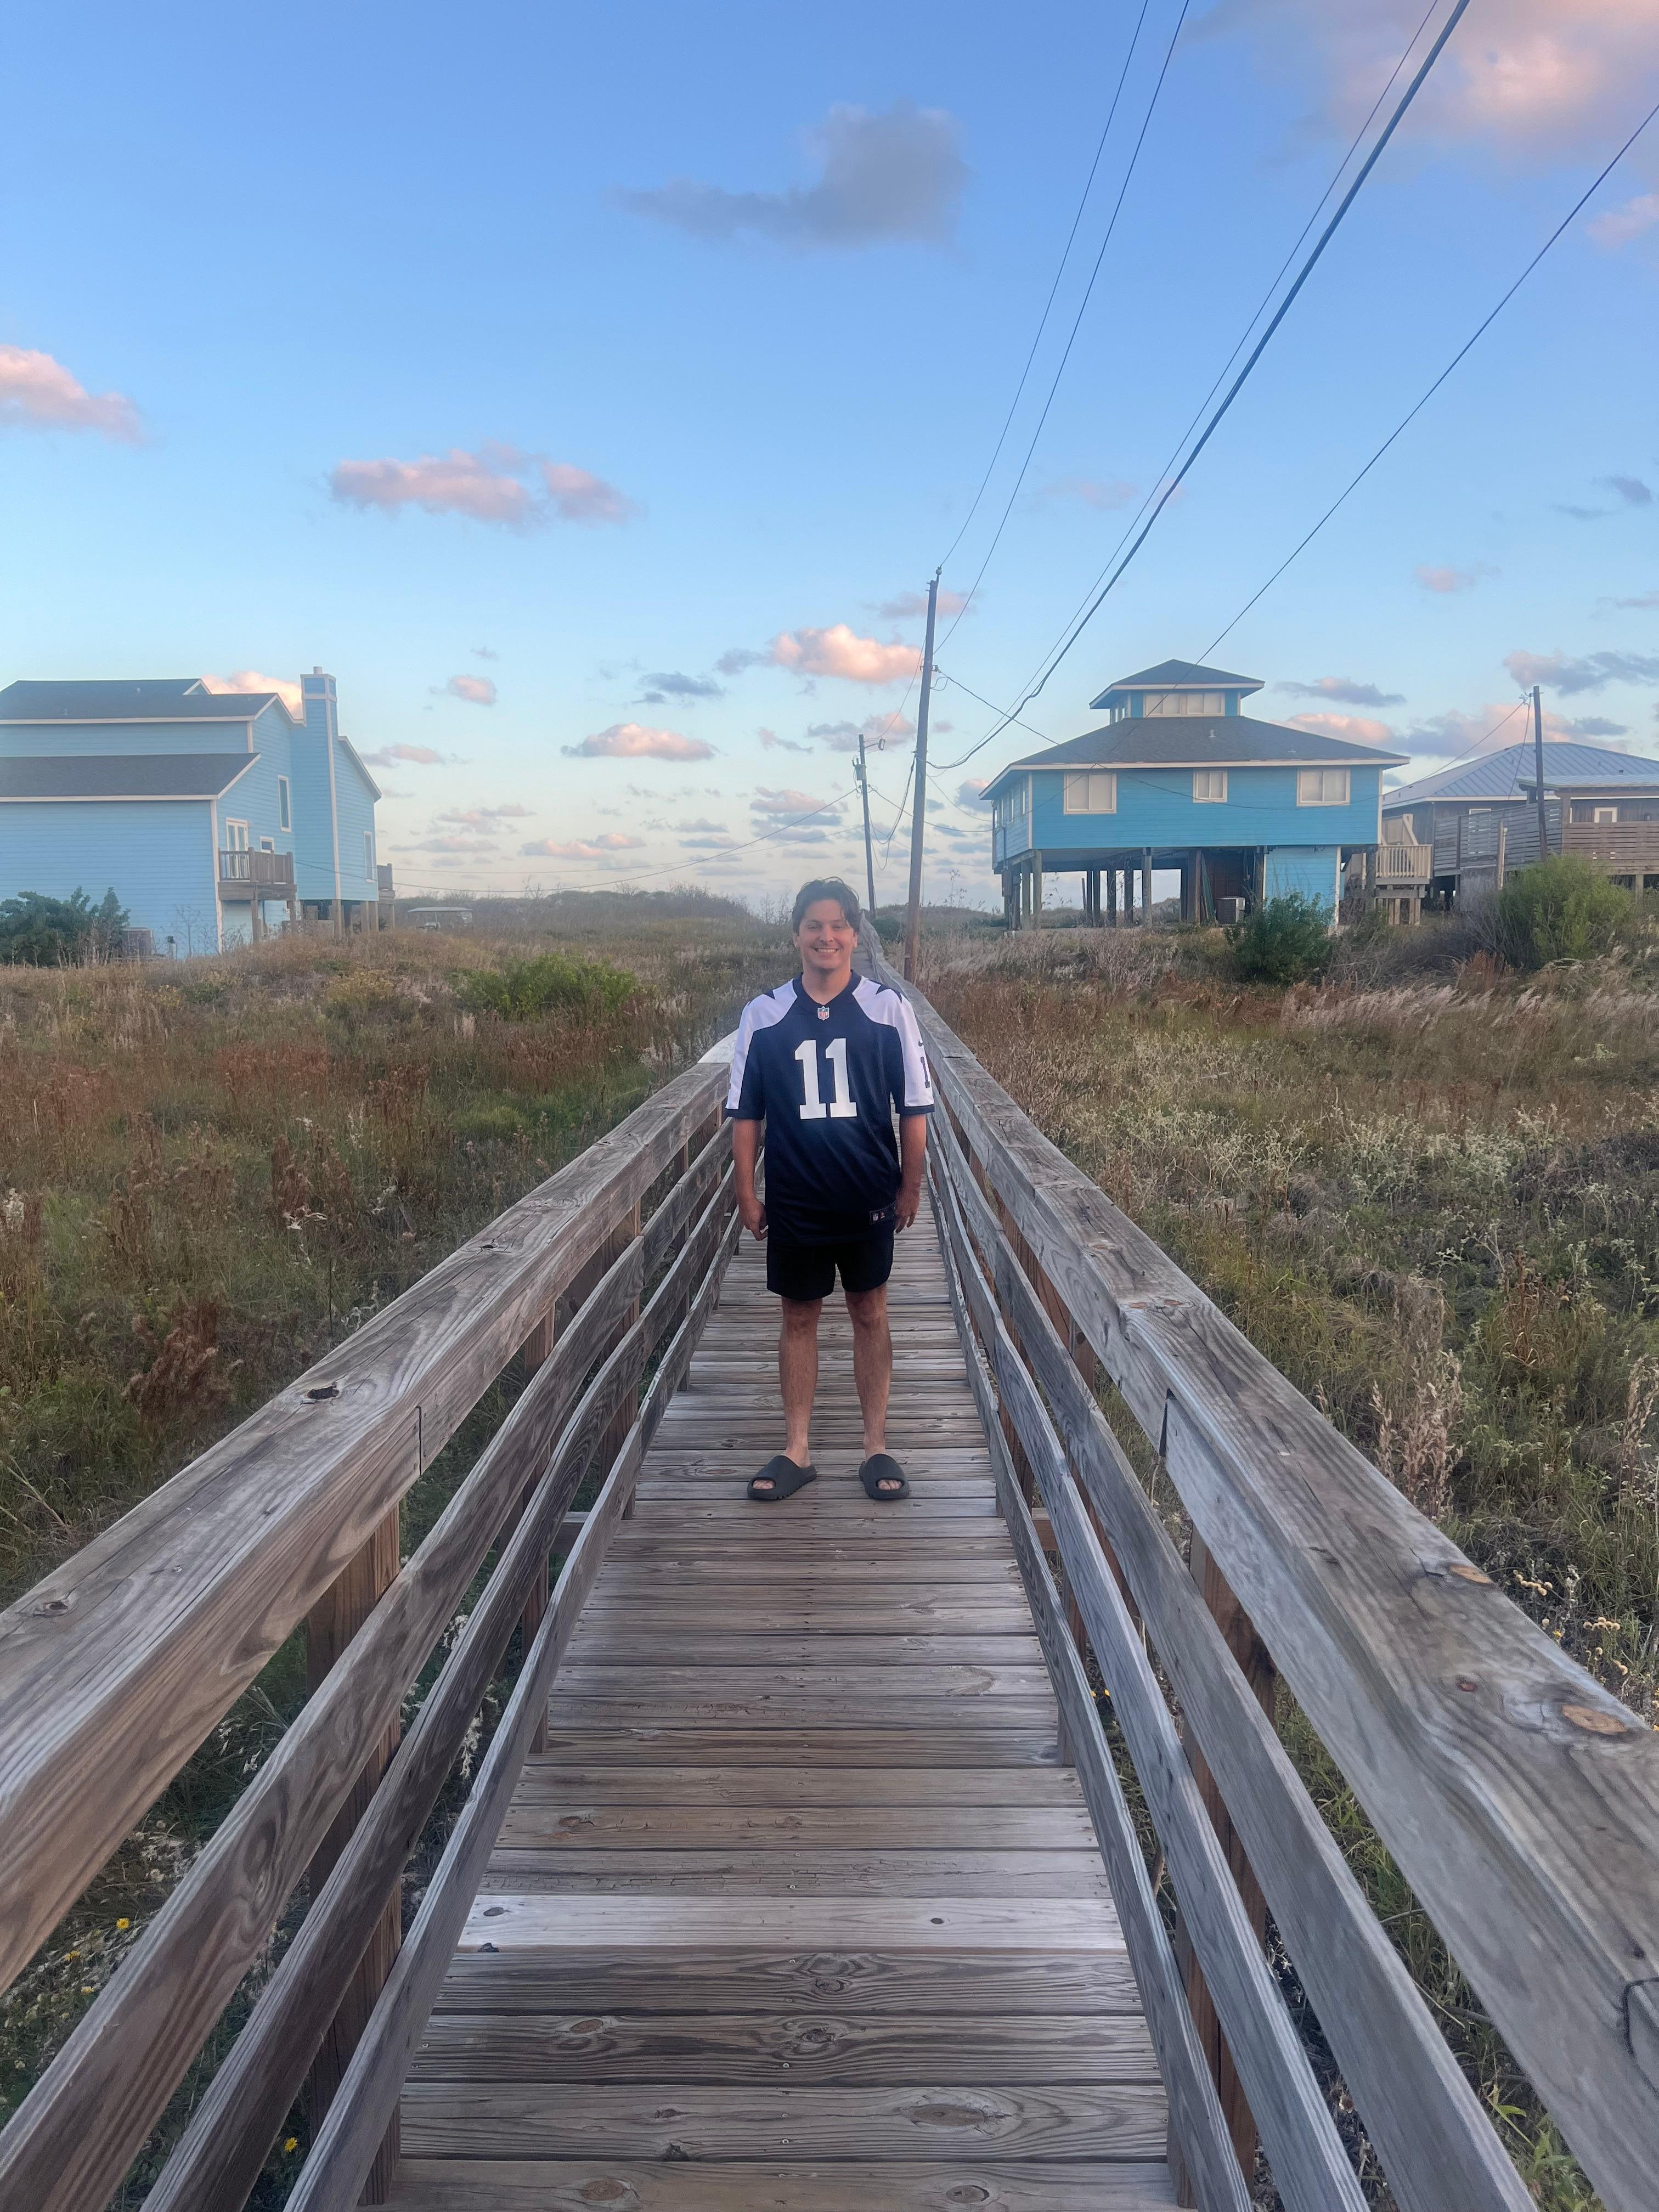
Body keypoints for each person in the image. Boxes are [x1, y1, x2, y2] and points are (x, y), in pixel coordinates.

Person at [726, 877, 933, 1503]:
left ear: (855, 934)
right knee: (798, 1318)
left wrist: (910, 1186)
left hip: (866, 1194)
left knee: (870, 1313)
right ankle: (798, 1447)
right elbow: (745, 1116)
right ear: (795, 935)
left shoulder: (888, 1008)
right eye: (814, 926)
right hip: (796, 1199)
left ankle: (876, 1444)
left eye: (839, 925)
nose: (827, 937)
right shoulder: (763, 1016)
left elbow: (915, 1108)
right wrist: (746, 1192)